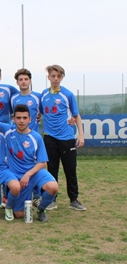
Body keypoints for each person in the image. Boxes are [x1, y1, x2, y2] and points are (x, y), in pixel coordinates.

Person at [0, 104, 59, 222]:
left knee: (53, 187)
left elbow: (42, 162)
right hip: (16, 175)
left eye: (25, 118)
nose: (21, 121)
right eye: (18, 118)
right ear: (13, 119)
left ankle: (41, 209)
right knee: (19, 215)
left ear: (30, 119)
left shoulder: (36, 137)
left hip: (34, 172)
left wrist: (28, 174)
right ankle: (12, 201)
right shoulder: (8, 130)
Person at [40, 65, 86, 211]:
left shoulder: (68, 94)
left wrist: (81, 135)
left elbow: (76, 115)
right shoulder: (43, 95)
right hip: (49, 138)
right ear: (48, 77)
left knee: (70, 169)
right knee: (52, 169)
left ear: (62, 78)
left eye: (58, 76)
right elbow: (40, 113)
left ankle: (74, 200)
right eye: (53, 76)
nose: (55, 79)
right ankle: (52, 199)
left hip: (66, 138)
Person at [10, 69, 42, 133]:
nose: (23, 82)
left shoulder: (38, 97)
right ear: (17, 82)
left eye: (26, 79)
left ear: (30, 81)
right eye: (21, 79)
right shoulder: (13, 98)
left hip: (33, 133)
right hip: (17, 134)